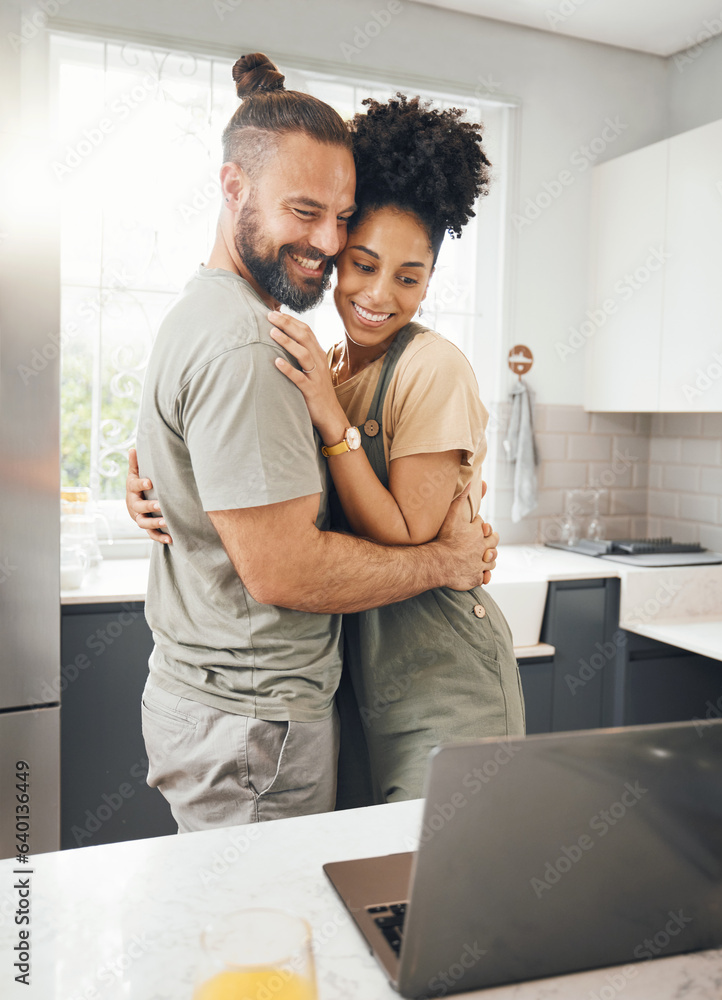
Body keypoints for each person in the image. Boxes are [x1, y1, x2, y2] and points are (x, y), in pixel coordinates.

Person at [130, 52, 498, 835]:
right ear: (234, 189)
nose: (330, 246)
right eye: (312, 217)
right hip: (261, 716)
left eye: (340, 218)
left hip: (400, 678)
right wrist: (446, 561)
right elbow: (284, 562)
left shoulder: (252, 332)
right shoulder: (270, 350)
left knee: (418, 903)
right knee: (281, 935)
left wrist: (185, 486)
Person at [265, 94, 525, 803]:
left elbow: (408, 532)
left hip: (447, 688)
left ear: (430, 280)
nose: (380, 295)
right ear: (335, 256)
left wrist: (331, 420)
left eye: (408, 278)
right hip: (358, 684)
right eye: (363, 265)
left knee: (443, 897)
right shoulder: (335, 366)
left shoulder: (430, 367)